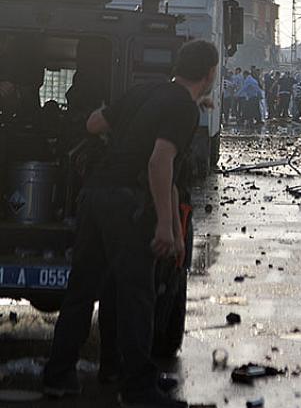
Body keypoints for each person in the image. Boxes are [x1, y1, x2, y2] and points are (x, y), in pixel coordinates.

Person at [42, 40, 218, 408]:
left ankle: (60, 376)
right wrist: (165, 228)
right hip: (127, 206)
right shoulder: (184, 110)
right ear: (209, 74)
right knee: (136, 296)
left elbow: (93, 124)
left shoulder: (144, 91)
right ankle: (138, 390)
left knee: (82, 291)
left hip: (94, 197)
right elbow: (159, 164)